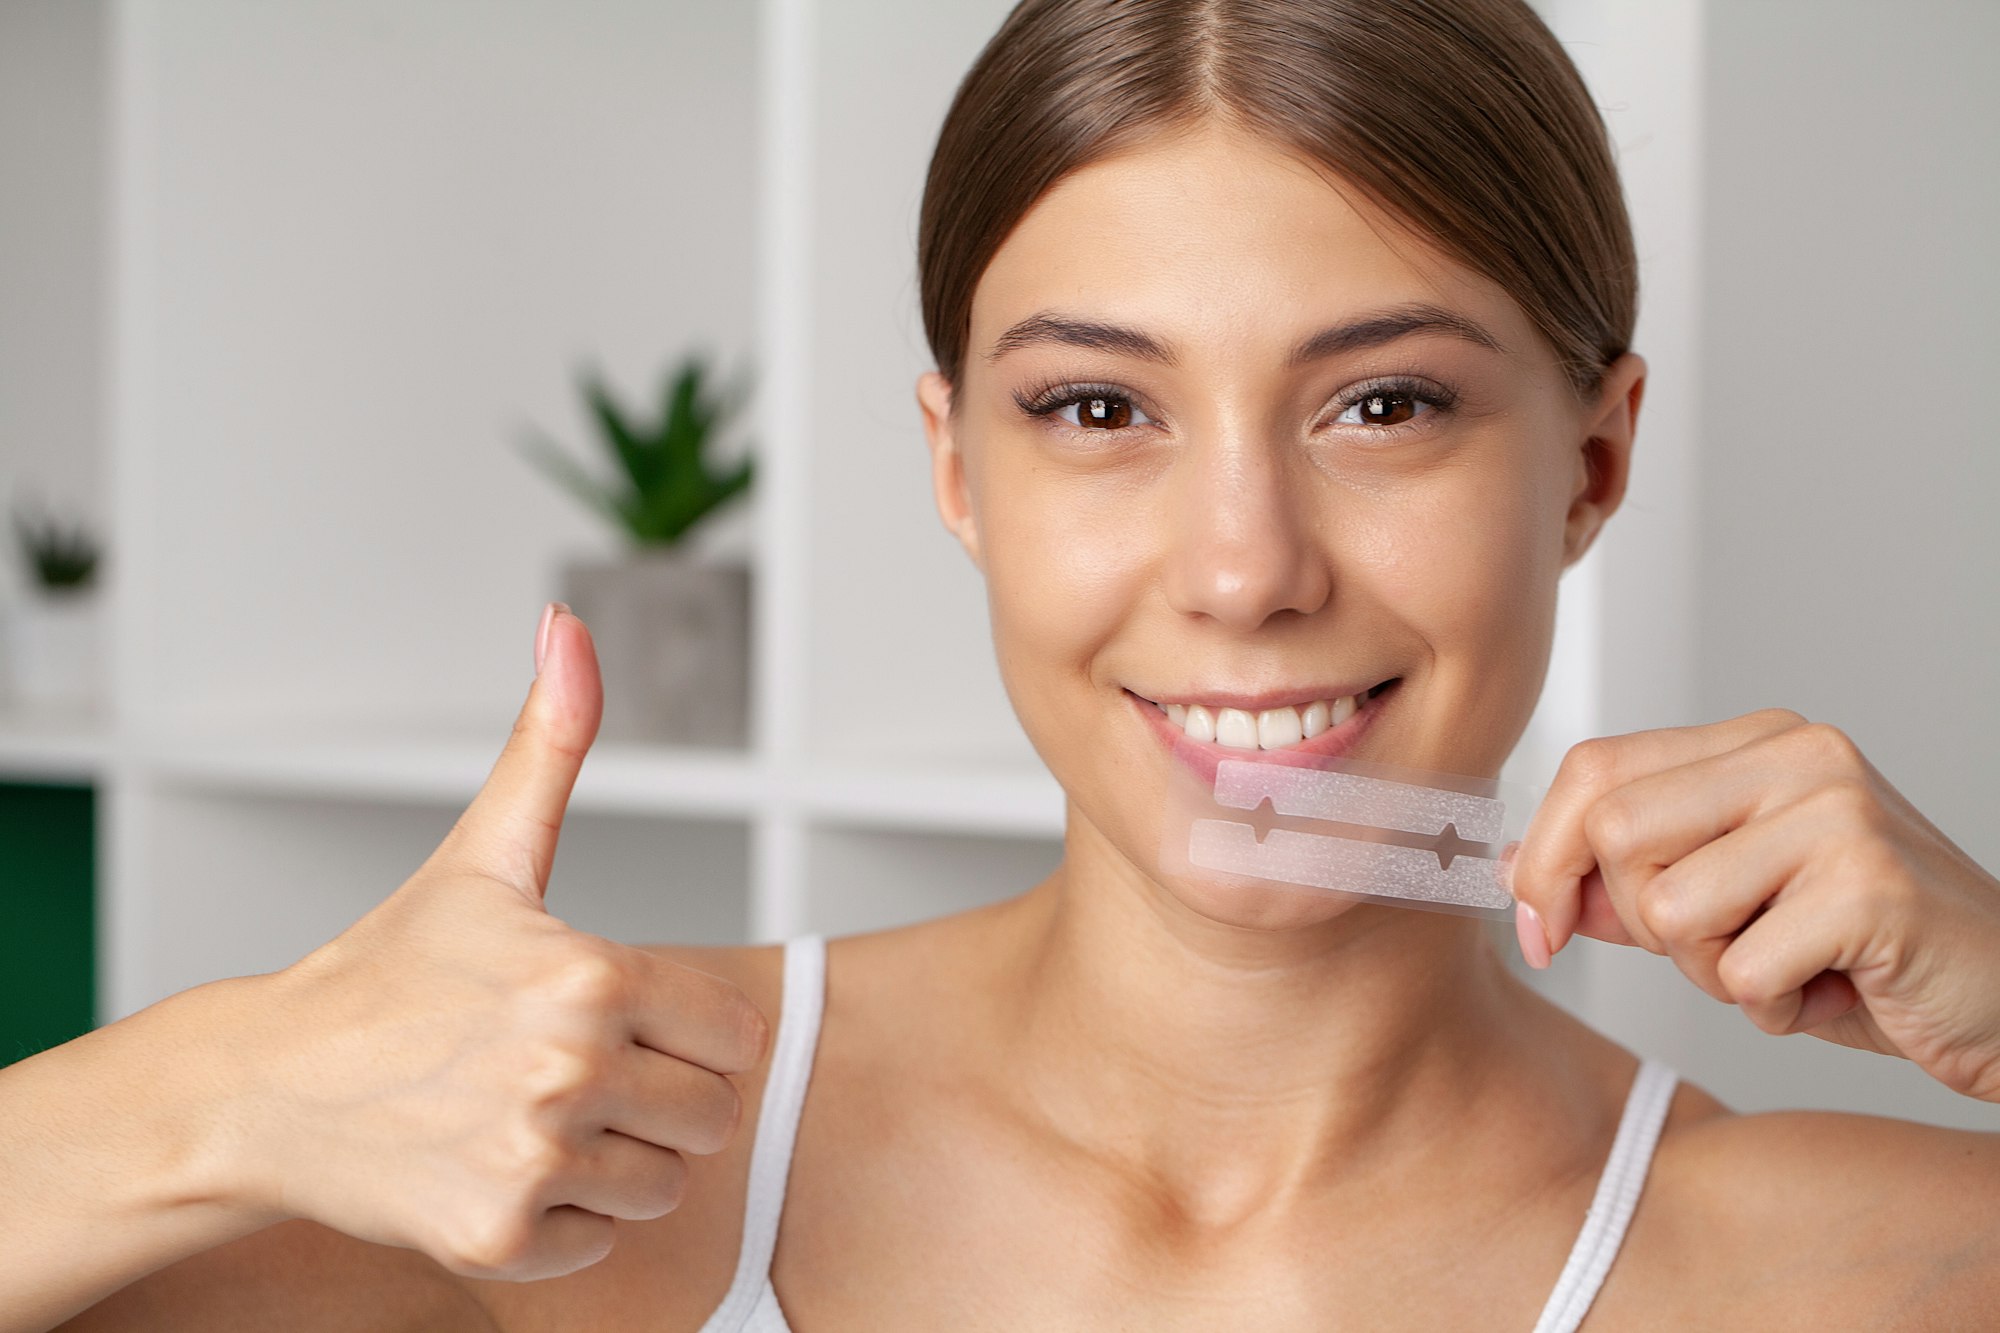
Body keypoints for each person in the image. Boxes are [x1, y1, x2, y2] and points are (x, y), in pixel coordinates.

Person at [8, 0, 2000, 1328]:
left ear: (1591, 459)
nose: (1240, 569)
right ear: (955, 468)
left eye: (1382, 403)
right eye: (1097, 411)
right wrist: (228, 1082)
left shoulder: (1824, 1265)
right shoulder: (570, 1155)